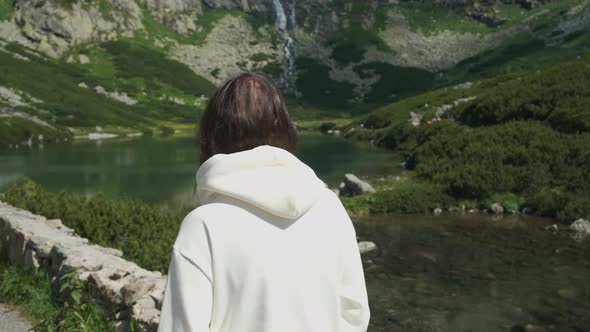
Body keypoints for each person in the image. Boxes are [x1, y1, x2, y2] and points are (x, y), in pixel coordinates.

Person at [157, 73, 370, 332]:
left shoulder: (203, 226)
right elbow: (355, 315)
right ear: (286, 131)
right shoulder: (329, 207)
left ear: (211, 138)